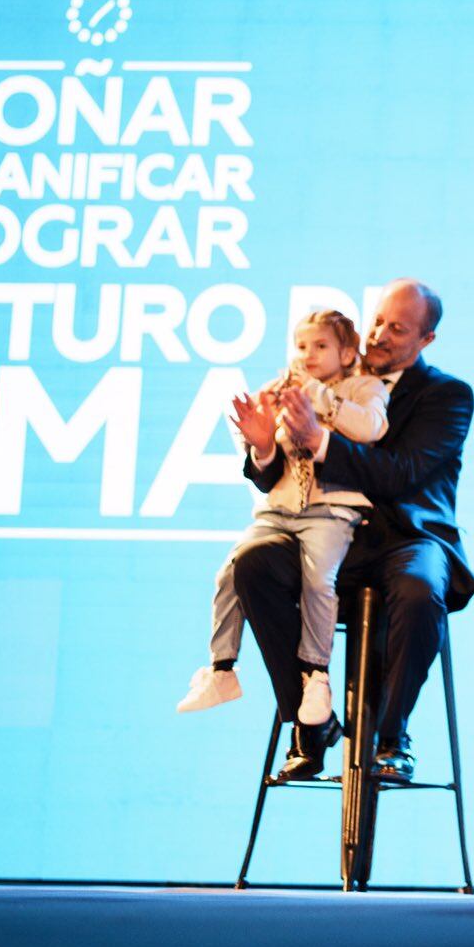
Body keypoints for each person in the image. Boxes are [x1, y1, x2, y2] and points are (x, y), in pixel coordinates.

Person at [227, 280, 474, 786]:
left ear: (425, 340)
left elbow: (400, 473)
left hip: (407, 535)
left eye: (398, 328)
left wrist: (319, 436)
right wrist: (263, 449)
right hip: (327, 529)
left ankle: (392, 737)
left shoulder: (446, 395)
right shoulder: (329, 374)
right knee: (251, 565)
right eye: (378, 321)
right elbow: (280, 475)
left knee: (419, 587)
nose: (379, 334)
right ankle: (307, 719)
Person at [178, 309, 389, 727]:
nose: (308, 355)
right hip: (279, 509)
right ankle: (222, 670)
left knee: (318, 579)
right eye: (302, 347)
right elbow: (264, 453)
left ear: (347, 353)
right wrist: (258, 438)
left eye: (321, 346)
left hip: (330, 511)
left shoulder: (364, 387)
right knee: (232, 570)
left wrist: (317, 395)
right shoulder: (282, 389)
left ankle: (316, 675)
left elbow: (371, 429)